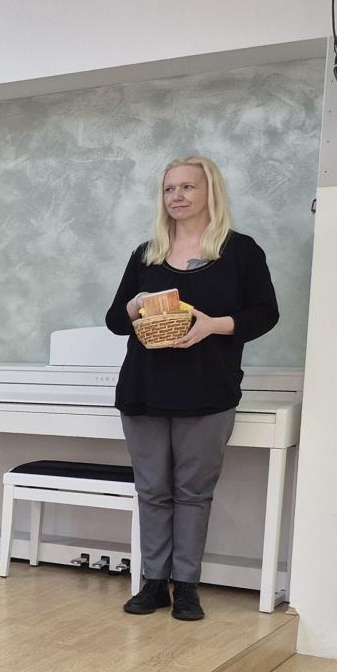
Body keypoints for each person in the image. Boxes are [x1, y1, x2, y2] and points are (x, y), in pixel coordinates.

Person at [104, 155, 279, 621]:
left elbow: (265, 313)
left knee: (193, 492)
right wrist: (136, 304)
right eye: (169, 189)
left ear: (209, 192)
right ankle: (153, 583)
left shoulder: (240, 251)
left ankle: (186, 586)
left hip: (208, 390)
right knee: (152, 490)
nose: (176, 196)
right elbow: (115, 321)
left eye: (187, 187)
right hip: (143, 389)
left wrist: (213, 325)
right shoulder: (147, 253)